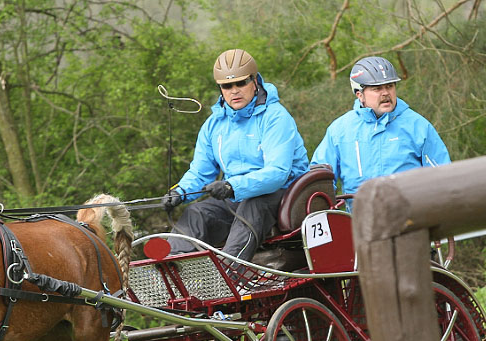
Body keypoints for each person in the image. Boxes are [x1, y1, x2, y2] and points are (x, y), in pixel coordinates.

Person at [162, 48, 309, 263]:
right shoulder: (213, 124)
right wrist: (180, 191)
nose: (234, 90)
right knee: (196, 213)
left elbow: (278, 172)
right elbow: (201, 172)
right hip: (237, 195)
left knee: (253, 206)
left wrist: (232, 186)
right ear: (220, 88)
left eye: (241, 83)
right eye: (227, 86)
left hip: (282, 194)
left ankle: (229, 275)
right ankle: (173, 271)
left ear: (255, 81)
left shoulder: (276, 117)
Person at [310, 56, 450, 204]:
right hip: (359, 221)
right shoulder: (339, 130)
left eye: (389, 86)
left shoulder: (419, 126)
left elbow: (442, 177)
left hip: (411, 219)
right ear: (360, 95)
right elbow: (318, 183)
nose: (385, 93)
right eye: (377, 88)